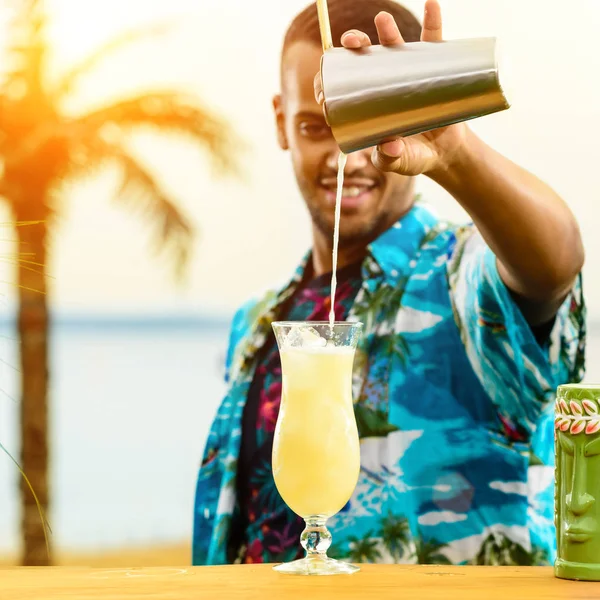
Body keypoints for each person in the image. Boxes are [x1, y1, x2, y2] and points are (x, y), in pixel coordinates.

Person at [192, 0, 586, 567]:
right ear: (280, 121)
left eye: (372, 122)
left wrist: (455, 153)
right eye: (313, 127)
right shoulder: (255, 324)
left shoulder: (456, 279)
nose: (344, 158)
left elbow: (555, 261)